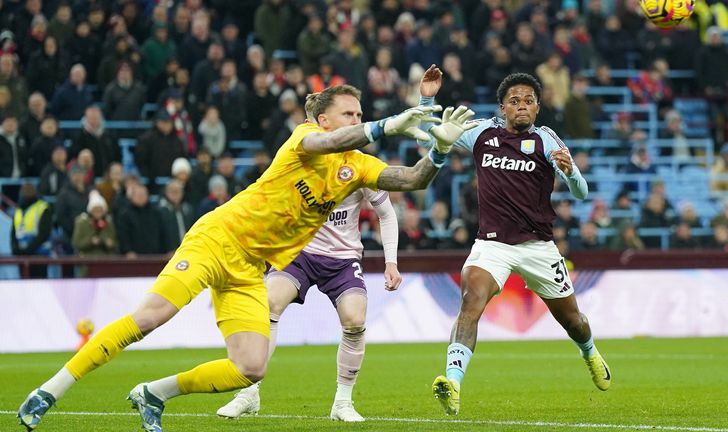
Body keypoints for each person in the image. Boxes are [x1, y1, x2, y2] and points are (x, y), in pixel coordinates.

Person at [17, 81, 475, 432]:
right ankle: (50, 390)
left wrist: (437, 149)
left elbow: (412, 180)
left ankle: (154, 394)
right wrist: (387, 125)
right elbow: (328, 144)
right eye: (349, 113)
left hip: (248, 270)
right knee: (150, 317)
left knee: (250, 367)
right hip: (216, 240)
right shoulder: (303, 140)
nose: (358, 118)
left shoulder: (358, 167)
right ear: (324, 120)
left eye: (361, 112)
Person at [420, 72, 611, 416]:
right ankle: (453, 382)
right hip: (492, 244)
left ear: (538, 108)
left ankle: (590, 352)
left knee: (574, 322)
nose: (521, 106)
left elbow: (581, 193)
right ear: (502, 108)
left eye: (528, 101)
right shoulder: (481, 133)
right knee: (470, 302)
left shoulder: (547, 140)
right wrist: (426, 101)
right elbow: (430, 135)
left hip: (538, 246)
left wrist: (570, 172)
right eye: (514, 101)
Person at [216, 188, 401, 422]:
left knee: (355, 319)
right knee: (269, 303)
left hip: (343, 259)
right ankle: (248, 393)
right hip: (300, 252)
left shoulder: (361, 168)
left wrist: (391, 263)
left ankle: (343, 402)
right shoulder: (303, 158)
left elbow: (386, 213)